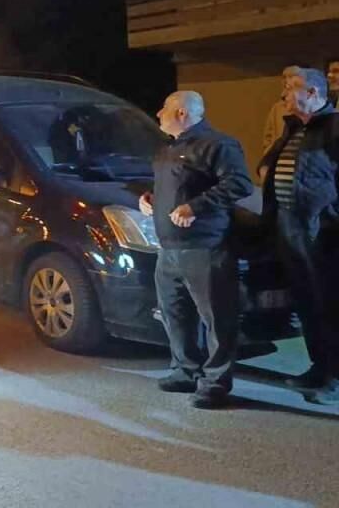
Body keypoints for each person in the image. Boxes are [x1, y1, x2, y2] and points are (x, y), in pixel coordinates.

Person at [141, 91, 252, 409]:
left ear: (182, 113)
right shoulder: (168, 149)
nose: (158, 113)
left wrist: (195, 207)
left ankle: (215, 382)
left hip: (204, 246)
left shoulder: (218, 145)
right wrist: (150, 198)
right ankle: (185, 370)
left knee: (216, 316)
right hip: (169, 248)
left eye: (164, 107)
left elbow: (239, 184)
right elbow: (176, 187)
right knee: (174, 313)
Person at [261, 67, 339, 405]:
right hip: (290, 227)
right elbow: (271, 164)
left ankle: (334, 377)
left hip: (324, 233)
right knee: (307, 302)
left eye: (291, 87)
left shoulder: (333, 128)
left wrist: (330, 216)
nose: (284, 94)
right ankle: (319, 367)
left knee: (330, 304)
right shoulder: (294, 128)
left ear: (312, 93)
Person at [262, 65, 307, 169]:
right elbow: (268, 137)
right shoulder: (277, 108)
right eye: (284, 77)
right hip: (277, 164)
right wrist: (267, 159)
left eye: (291, 76)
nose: (286, 80)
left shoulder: (311, 106)